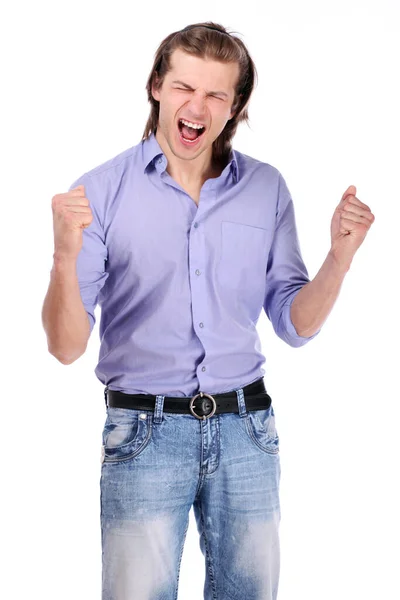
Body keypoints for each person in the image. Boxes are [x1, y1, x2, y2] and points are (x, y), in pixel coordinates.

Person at [41, 21, 375, 600]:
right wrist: (63, 259)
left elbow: (296, 326)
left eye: (216, 94)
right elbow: (66, 345)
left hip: (247, 431)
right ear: (156, 88)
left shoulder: (266, 189)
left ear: (235, 107)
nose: (196, 106)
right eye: (183, 88)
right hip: (144, 435)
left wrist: (339, 258)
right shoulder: (100, 191)